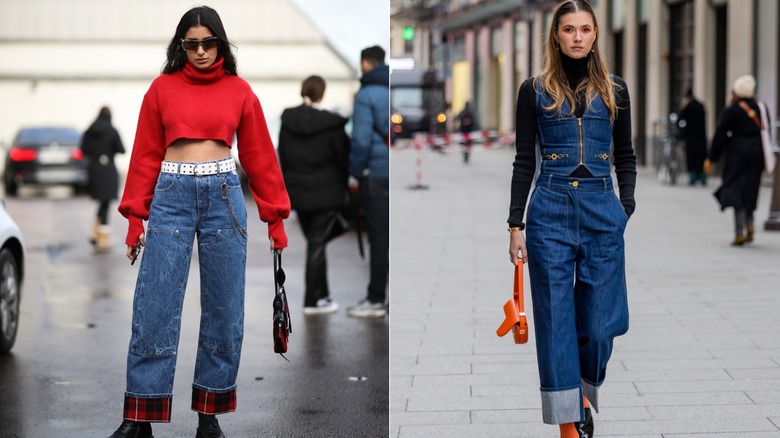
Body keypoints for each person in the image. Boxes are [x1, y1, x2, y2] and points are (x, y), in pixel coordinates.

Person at [108, 6, 290, 438]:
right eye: (193, 44)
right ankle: (140, 419)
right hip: (171, 195)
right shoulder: (161, 89)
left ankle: (209, 415)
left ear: (221, 44)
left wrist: (275, 219)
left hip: (224, 196)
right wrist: (136, 217)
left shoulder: (239, 90)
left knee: (225, 309)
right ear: (181, 46)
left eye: (210, 43)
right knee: (154, 308)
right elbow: (146, 154)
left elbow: (261, 157)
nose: (202, 51)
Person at [507, 1, 636, 437]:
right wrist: (515, 225)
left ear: (596, 34)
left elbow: (626, 156)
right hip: (550, 209)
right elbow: (525, 160)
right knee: (555, 317)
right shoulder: (534, 90)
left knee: (603, 323)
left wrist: (625, 208)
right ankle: (569, 419)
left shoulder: (616, 90)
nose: (577, 37)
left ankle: (581, 387)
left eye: (585, 29)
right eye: (568, 29)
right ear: (556, 36)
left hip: (603, 208)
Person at [278, 75, 350, 315]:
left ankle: (323, 295)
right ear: (322, 93)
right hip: (327, 192)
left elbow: (284, 156)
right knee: (317, 245)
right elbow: (342, 158)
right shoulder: (332, 123)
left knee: (316, 243)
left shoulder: (288, 120)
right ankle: (312, 300)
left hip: (299, 194)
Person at [346, 45, 389, 318]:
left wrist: (354, 170)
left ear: (364, 64)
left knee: (379, 238)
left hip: (374, 174)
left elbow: (360, 139)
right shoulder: (389, 89)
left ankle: (375, 299)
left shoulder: (365, 95)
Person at [704, 74, 767, 246]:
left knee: (735, 188)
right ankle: (750, 222)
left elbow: (720, 135)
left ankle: (739, 231)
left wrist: (712, 158)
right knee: (751, 188)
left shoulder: (732, 110)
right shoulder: (761, 108)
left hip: (737, 152)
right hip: (757, 151)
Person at [80, 106, 125, 251]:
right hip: (108, 170)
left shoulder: (89, 131)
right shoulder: (112, 131)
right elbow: (121, 149)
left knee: (102, 202)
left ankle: (96, 232)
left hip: (93, 169)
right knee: (106, 202)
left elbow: (83, 149)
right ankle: (103, 238)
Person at [678, 89, 708, 185]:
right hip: (701, 135)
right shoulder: (701, 105)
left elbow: (680, 119)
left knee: (691, 157)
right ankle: (703, 178)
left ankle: (693, 178)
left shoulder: (688, 106)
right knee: (701, 156)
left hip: (690, 136)